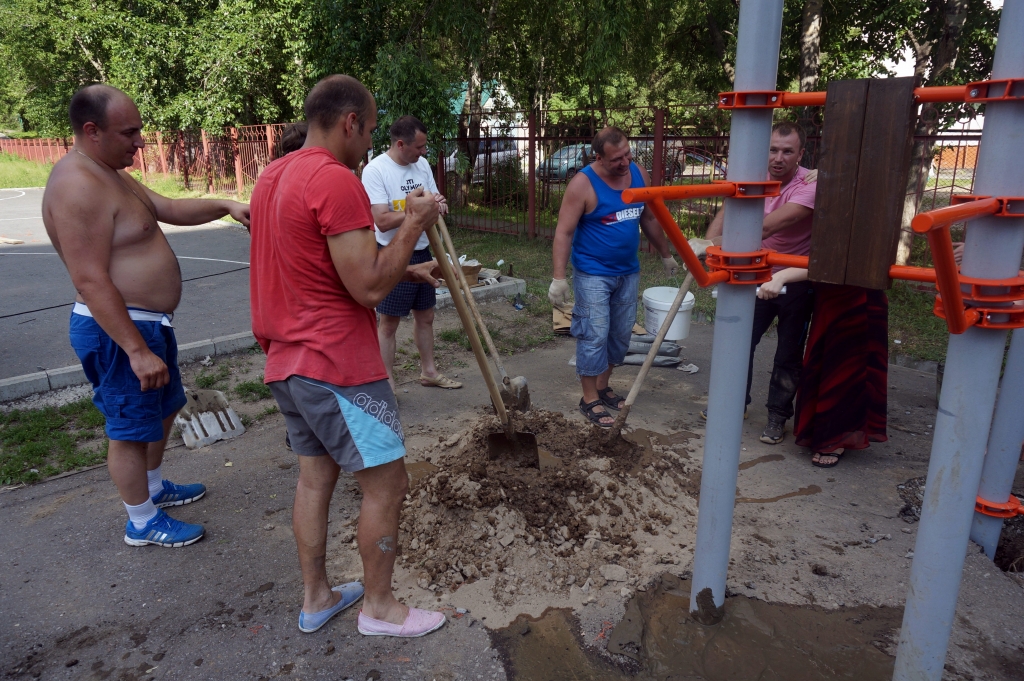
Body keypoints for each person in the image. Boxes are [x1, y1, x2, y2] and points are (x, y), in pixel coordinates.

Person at [248, 74, 446, 637]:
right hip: (337, 366)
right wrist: (413, 224)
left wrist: (403, 266)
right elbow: (367, 289)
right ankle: (380, 608)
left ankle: (317, 597)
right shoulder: (336, 181)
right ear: (350, 122)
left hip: (287, 361)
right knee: (387, 483)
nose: (370, 143)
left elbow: (313, 266)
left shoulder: (274, 175)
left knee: (315, 480)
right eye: (371, 128)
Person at [41, 84, 251, 548]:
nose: (140, 142)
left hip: (149, 326)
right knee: (130, 430)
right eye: (130, 132)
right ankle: (141, 521)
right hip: (120, 332)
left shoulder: (110, 172)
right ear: (92, 131)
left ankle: (154, 490)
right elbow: (90, 280)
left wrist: (226, 204)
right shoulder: (77, 185)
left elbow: (168, 208)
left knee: (164, 408)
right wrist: (134, 349)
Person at [548, 126, 679, 428]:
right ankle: (589, 397)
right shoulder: (583, 184)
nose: (624, 163)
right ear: (599, 158)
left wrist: (665, 254)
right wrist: (558, 277)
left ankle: (603, 386)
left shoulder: (638, 173)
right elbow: (564, 231)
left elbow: (647, 216)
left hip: (628, 271)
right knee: (594, 334)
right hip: (593, 272)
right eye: (617, 159)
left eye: (627, 155)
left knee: (620, 335)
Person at [702, 120, 817, 446]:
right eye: (772, 149)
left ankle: (777, 417)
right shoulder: (750, 180)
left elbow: (764, 228)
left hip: (794, 278)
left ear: (800, 153)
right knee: (738, 342)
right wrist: (709, 243)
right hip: (754, 275)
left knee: (788, 354)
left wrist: (714, 243)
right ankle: (734, 405)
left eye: (787, 151)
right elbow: (718, 229)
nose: (778, 158)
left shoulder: (810, 183)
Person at [361, 115, 459, 392]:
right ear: (401, 144)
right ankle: (387, 384)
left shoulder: (422, 165)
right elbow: (380, 220)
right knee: (389, 322)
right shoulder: (376, 170)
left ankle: (429, 372)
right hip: (392, 253)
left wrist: (438, 203)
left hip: (424, 248)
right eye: (419, 147)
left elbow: (434, 198)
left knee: (426, 315)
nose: (424, 152)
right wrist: (415, 212)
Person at [793, 283, 889, 467]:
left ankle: (836, 437)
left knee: (848, 368)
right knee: (823, 362)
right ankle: (821, 432)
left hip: (864, 292)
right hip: (830, 292)